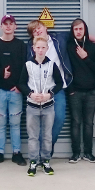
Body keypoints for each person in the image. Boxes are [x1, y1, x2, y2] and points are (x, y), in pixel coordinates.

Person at [26, 20, 95, 152]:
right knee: (38, 124)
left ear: (45, 27)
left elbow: (79, 33)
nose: (38, 31)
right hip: (38, 91)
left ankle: (47, 149)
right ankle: (38, 153)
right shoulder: (29, 47)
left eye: (39, 28)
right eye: (34, 31)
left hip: (58, 89)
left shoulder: (59, 39)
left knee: (59, 119)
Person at [18, 36, 63, 176]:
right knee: (33, 136)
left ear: (47, 49)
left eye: (43, 47)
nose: (41, 50)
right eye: (38, 47)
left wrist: (50, 94)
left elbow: (60, 83)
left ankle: (46, 161)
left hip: (48, 106)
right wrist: (30, 94)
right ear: (33, 48)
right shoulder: (27, 65)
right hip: (32, 107)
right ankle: (33, 161)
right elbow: (21, 83)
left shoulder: (52, 65)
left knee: (47, 135)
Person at [0, 15, 27, 166]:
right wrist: (1, 74)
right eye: (5, 24)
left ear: (15, 27)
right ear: (1, 26)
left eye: (11, 24)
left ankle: (16, 153)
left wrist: (20, 86)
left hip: (16, 91)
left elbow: (25, 67)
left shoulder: (21, 45)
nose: (8, 26)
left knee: (15, 123)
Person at [66, 18, 95, 163]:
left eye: (81, 29)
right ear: (72, 31)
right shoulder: (68, 47)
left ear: (85, 30)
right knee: (76, 122)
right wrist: (70, 89)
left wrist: (86, 58)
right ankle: (75, 153)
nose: (79, 32)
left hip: (91, 91)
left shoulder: (93, 48)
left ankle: (88, 153)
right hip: (75, 91)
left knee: (89, 123)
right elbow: (64, 69)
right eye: (76, 29)